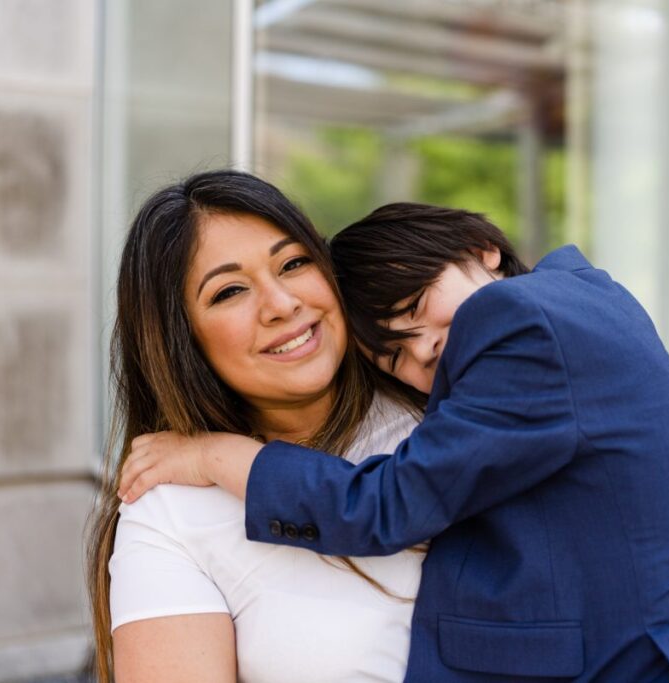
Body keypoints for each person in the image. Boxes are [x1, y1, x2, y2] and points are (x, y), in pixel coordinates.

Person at [119, 202, 669, 682]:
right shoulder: (170, 516)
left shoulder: (515, 330)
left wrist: (220, 456)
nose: (429, 350)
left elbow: (386, 504)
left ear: (483, 250)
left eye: (291, 264)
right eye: (395, 349)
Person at [86, 170, 429, 683]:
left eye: (293, 263)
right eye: (229, 292)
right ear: (182, 340)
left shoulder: (446, 417)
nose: (283, 304)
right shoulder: (172, 513)